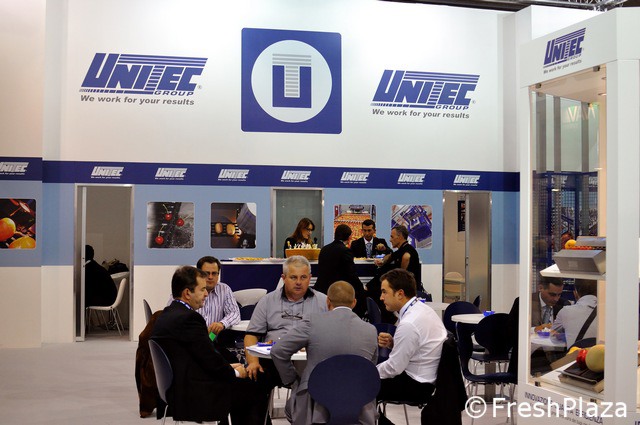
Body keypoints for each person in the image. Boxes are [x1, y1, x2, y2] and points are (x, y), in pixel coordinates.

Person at [151, 266, 267, 423]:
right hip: (194, 393)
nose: (206, 294)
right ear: (187, 293)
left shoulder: (167, 314)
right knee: (254, 386)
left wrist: (228, 367)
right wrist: (235, 372)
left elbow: (198, 357)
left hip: (175, 388)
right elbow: (210, 359)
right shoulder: (189, 319)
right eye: (202, 289)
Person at [271, 281, 378, 425]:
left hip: (316, 402)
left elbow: (278, 351)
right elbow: (370, 367)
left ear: (328, 301)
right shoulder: (371, 330)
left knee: (292, 406)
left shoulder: (313, 322)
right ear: (354, 303)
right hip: (359, 404)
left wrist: (292, 380)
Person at [244, 256, 328, 419]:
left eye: (303, 277)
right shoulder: (267, 301)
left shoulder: (324, 301)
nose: (299, 282)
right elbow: (251, 335)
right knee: (252, 382)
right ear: (283, 278)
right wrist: (253, 362)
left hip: (312, 363)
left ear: (310, 278)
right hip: (273, 362)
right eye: (293, 277)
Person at [376, 269, 447, 422]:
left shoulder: (409, 323)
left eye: (384, 292)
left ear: (400, 294)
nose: (381, 297)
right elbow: (420, 346)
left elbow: (394, 368)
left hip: (417, 385)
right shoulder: (423, 309)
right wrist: (394, 343)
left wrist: (369, 372)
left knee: (364, 385)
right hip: (431, 378)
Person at [165, 256, 240, 336]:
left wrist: (222, 324)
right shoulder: (187, 289)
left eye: (214, 273)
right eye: (207, 273)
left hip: (212, 337)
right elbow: (170, 316)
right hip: (189, 337)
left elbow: (235, 313)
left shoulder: (224, 289)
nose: (210, 277)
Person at [368, 225, 422, 323]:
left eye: (392, 237)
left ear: (400, 236)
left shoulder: (406, 253)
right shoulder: (401, 250)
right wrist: (382, 261)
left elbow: (401, 277)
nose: (390, 240)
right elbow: (390, 256)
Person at [314, 224, 367, 317]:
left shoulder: (324, 249)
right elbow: (351, 274)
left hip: (321, 291)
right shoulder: (345, 251)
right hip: (337, 293)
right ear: (349, 237)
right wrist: (361, 288)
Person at [552, 279, 597, 348]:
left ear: (575, 292)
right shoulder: (609, 312)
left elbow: (553, 334)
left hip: (576, 354)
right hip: (602, 354)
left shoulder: (566, 311)